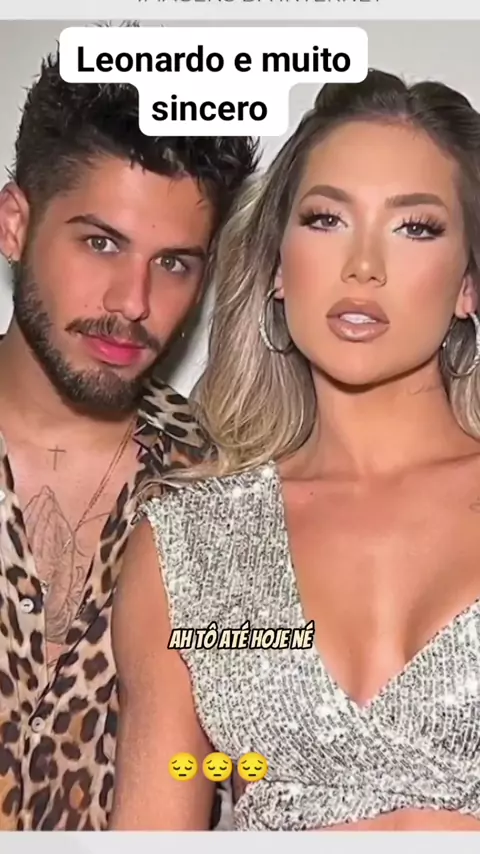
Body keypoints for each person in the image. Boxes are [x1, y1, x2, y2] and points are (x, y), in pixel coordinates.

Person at [110, 67, 480, 832]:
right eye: (325, 219)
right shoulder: (189, 547)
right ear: (278, 268)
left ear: (467, 285)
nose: (364, 265)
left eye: (416, 227)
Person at [0, 47, 258, 831]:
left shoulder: (227, 491)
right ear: (15, 224)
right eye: (101, 243)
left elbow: (254, 775)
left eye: (174, 263)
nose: (134, 302)